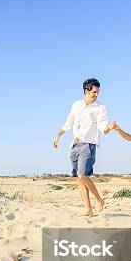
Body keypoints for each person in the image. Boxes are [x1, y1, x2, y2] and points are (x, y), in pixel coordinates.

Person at [52, 78, 113, 217]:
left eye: (98, 92)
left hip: (88, 144)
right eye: (94, 92)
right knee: (78, 178)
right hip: (74, 144)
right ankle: (88, 209)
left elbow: (103, 125)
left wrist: (108, 128)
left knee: (82, 175)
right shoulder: (76, 105)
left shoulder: (100, 107)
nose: (96, 95)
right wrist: (58, 135)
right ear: (86, 90)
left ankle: (99, 200)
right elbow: (69, 122)